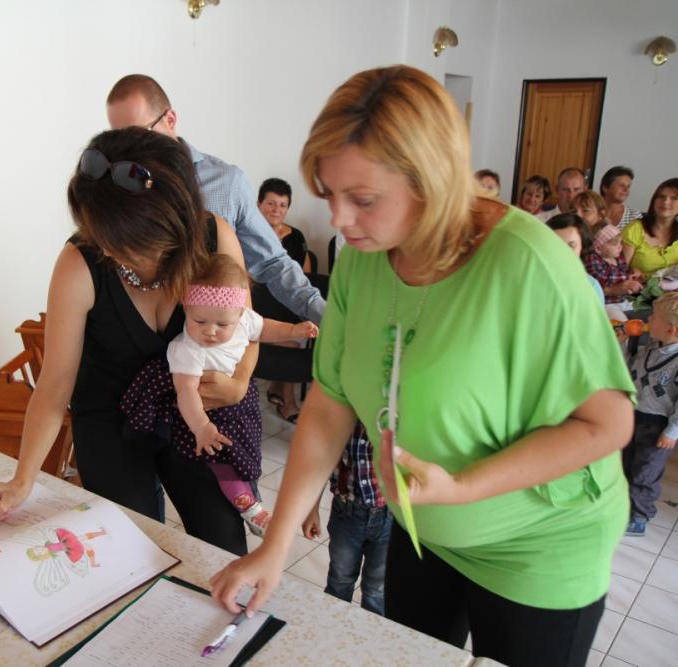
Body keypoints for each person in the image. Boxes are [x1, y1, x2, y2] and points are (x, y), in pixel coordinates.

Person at [210, 65, 634, 667]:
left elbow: (608, 424)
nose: (339, 219)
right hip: (424, 527)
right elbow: (330, 401)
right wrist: (274, 546)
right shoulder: (365, 255)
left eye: (363, 199)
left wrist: (463, 488)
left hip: (538, 545)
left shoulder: (529, 264)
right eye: (329, 194)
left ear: (431, 180)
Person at [0, 128, 256, 556]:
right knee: (129, 548)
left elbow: (248, 329)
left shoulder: (214, 240)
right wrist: (22, 479)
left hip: (190, 412)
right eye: (100, 234)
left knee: (224, 544)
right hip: (109, 418)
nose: (110, 251)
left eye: (127, 242)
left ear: (173, 225)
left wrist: (239, 383)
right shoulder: (80, 262)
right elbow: (54, 385)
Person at [122, 253, 318, 536]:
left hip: (242, 407)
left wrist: (294, 330)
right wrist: (201, 427)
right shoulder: (187, 349)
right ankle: (249, 507)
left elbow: (265, 328)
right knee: (224, 461)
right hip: (208, 417)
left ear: (239, 314)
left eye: (222, 325)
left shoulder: (243, 320)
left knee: (245, 454)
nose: (210, 332)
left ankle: (251, 496)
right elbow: (186, 392)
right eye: (199, 321)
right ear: (186, 307)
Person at [106, 74, 325, 325]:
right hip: (139, 332)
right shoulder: (118, 187)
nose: (128, 150)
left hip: (212, 336)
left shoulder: (226, 182)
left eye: (138, 135)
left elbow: (273, 263)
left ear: (170, 119)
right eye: (117, 139)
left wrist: (328, 318)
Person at [301, 422, 391, 615]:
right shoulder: (341, 415)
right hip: (346, 515)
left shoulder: (397, 418)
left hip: (389, 517)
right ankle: (330, 625)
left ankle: (369, 631)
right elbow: (321, 462)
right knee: (339, 580)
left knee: (377, 590)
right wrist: (312, 509)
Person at [622, 291, 678, 537]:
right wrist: (626, 342)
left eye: (654, 317)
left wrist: (673, 430)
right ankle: (624, 506)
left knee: (645, 472)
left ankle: (639, 515)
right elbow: (627, 368)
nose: (648, 320)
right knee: (627, 463)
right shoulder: (651, 347)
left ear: (670, 329)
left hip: (657, 425)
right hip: (635, 415)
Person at [256, 177, 312, 420]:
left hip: (288, 303)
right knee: (291, 340)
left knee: (297, 330)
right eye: (270, 203)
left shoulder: (296, 237)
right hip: (257, 303)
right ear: (258, 204)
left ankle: (278, 388)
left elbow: (306, 276)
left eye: (282, 205)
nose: (276, 209)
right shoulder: (247, 233)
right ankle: (287, 400)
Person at [622, 178, 678, 277]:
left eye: (674, 198)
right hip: (636, 286)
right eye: (661, 197)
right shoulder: (634, 228)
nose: (665, 202)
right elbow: (618, 271)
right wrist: (631, 272)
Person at [547, 212, 604, 304]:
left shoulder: (591, 287)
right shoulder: (530, 278)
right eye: (556, 244)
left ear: (582, 247)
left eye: (571, 245)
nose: (563, 252)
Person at [585, 221, 642, 306]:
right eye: (615, 244)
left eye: (620, 242)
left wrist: (632, 275)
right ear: (598, 248)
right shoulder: (592, 259)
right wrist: (627, 279)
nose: (620, 247)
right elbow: (604, 280)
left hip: (622, 300)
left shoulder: (618, 258)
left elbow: (623, 273)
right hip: (605, 303)